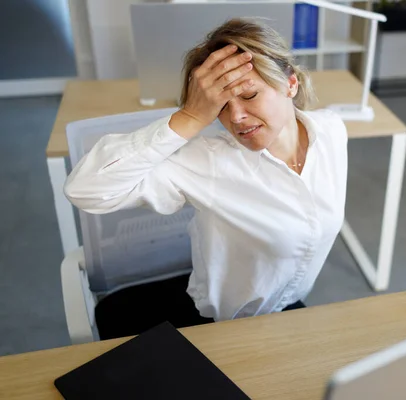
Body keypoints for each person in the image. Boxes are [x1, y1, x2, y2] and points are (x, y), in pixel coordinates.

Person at [64, 18, 348, 333]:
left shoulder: (331, 131)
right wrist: (190, 117)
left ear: (290, 84)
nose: (237, 117)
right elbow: (85, 190)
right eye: (220, 107)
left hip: (285, 312)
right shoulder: (210, 161)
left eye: (250, 96)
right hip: (221, 327)